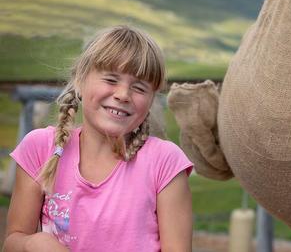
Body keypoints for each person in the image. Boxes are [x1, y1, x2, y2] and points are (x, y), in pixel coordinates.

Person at [3, 25, 193, 252]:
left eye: (139, 87)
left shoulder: (165, 162)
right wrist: (33, 243)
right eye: (111, 80)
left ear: (151, 100)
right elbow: (12, 241)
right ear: (80, 82)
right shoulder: (41, 148)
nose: (123, 95)